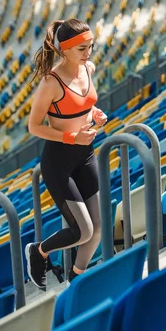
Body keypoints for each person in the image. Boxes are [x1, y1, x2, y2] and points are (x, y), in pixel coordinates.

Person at [25, 19, 107, 288]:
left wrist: (94, 114)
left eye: (90, 47)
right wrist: (72, 136)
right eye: (82, 48)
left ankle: (75, 282)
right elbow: (34, 126)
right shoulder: (51, 82)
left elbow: (83, 105)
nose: (88, 53)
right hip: (58, 161)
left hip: (85, 155)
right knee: (83, 231)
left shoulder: (89, 68)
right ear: (65, 49)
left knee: (97, 231)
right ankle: (38, 252)